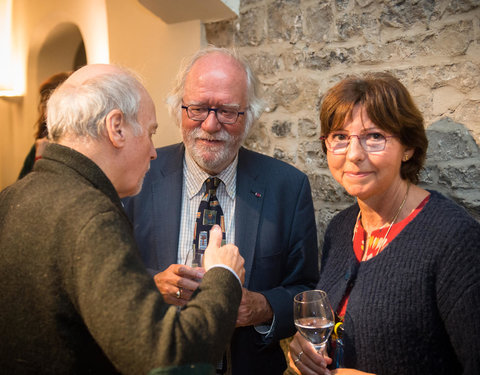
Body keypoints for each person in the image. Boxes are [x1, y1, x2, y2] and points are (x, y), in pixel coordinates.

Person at [0, 64, 246, 374]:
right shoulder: (91, 215)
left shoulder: (10, 197)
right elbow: (171, 356)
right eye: (150, 132)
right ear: (116, 127)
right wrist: (224, 275)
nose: (154, 152)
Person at [123, 46, 319, 374]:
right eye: (198, 109)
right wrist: (152, 286)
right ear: (179, 109)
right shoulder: (137, 177)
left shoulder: (288, 187)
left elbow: (305, 289)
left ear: (249, 116)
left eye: (227, 111)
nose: (211, 125)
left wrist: (263, 307)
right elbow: (110, 275)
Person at [288, 73, 480, 375]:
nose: (354, 155)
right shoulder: (341, 229)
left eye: (374, 136)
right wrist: (305, 352)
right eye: (339, 136)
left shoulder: (455, 239)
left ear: (408, 147)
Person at [17, 71, 71, 179]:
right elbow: (23, 186)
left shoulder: (80, 141)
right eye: (45, 105)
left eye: (51, 105)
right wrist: (39, 157)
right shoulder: (43, 141)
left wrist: (40, 158)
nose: (45, 113)